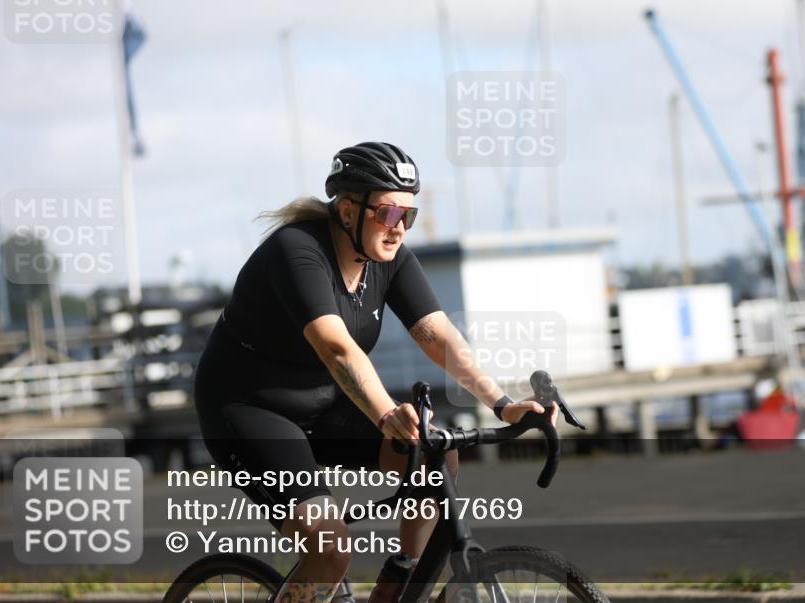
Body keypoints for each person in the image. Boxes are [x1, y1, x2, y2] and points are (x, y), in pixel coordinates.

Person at [194, 142, 556, 603]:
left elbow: (439, 337)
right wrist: (386, 414)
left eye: (410, 215)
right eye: (388, 214)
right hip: (247, 406)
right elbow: (337, 349)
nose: (400, 228)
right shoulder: (297, 251)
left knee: (435, 456)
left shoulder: (391, 260)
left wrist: (502, 404)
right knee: (330, 550)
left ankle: (398, 580)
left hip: (322, 401)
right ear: (348, 210)